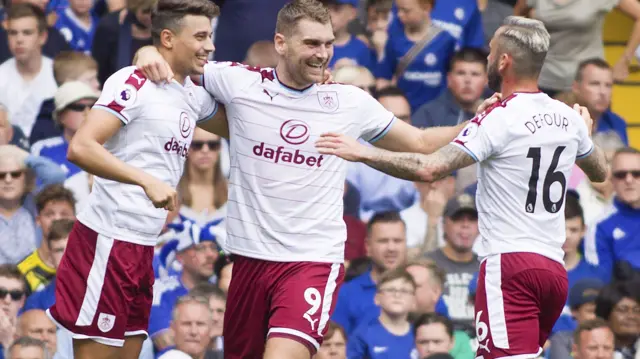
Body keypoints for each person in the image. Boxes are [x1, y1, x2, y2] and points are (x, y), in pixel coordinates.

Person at [135, 0, 472, 357]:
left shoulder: (348, 102)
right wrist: (146, 51)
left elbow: (420, 142)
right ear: (280, 42)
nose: (323, 54)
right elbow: (175, 62)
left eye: (328, 44)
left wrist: (480, 123)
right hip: (248, 261)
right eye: (311, 44)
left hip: (310, 262)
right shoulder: (239, 82)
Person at [315, 16, 610, 359]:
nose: (486, 58)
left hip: (510, 267)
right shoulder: (568, 117)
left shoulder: (500, 116)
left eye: (490, 51)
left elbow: (429, 167)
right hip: (554, 272)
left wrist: (362, 152)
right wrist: (585, 136)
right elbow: (600, 171)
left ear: (504, 61)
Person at [45, 0, 224, 358]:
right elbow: (80, 146)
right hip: (107, 240)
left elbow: (241, 126)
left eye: (211, 35)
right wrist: (146, 180)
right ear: (169, 38)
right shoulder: (133, 81)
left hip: (143, 247)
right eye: (201, 36)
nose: (210, 45)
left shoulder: (191, 94)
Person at [584, 147, 640, 282]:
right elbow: (601, 285)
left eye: (637, 174)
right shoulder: (599, 227)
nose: (628, 180)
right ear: (611, 180)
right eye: (621, 175)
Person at [347, 268, 416, 359]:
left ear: (413, 300)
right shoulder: (363, 334)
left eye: (404, 291)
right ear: (377, 298)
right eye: (390, 290)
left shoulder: (420, 333)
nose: (397, 295)